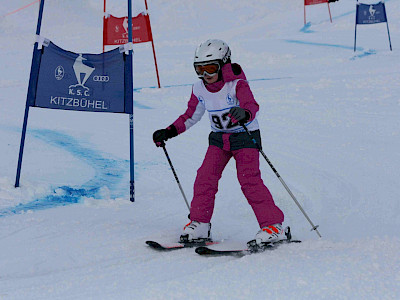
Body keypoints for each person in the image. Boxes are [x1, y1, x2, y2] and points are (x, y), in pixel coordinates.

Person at [153, 39, 284, 245]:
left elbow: (251, 105)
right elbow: (190, 116)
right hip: (219, 140)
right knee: (205, 178)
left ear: (224, 64)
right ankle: (200, 224)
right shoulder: (199, 89)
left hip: (244, 137)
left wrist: (245, 113)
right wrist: (169, 131)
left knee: (249, 181)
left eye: (211, 68)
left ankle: (273, 226)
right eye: (200, 69)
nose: (206, 75)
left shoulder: (237, 84)